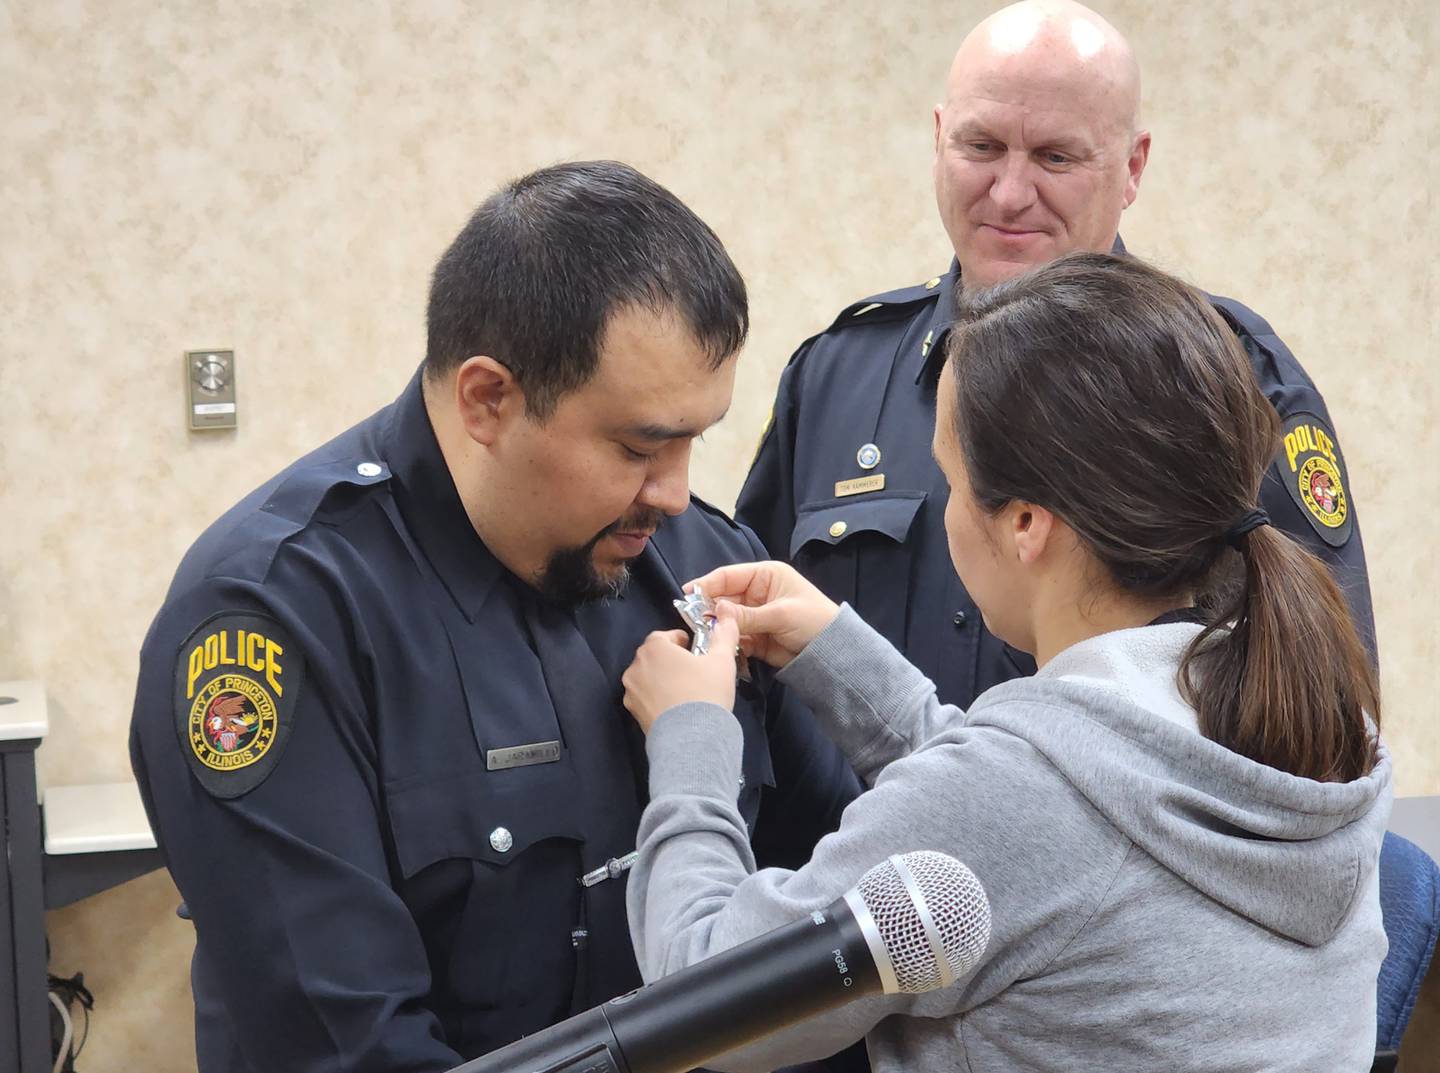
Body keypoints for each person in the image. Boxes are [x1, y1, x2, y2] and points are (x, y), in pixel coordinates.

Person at [128, 160, 859, 1073]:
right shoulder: (276, 617)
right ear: (487, 399)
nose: (673, 492)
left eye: (693, 441)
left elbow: (840, 915)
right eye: (638, 446)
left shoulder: (697, 562)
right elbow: (348, 1048)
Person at [621, 253, 1390, 1072]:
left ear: (1026, 523)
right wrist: (835, 651)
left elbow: (700, 999)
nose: (948, 509)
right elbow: (1050, 811)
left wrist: (691, 734)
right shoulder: (1309, 715)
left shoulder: (1018, 797)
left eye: (951, 480)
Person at [736, 0, 1375, 714]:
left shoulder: (1225, 377)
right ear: (939, 139)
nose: (1010, 194)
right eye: (981, 147)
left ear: (1132, 167)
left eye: (1055, 156)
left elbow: (1318, 705)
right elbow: (753, 658)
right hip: (861, 826)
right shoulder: (835, 377)